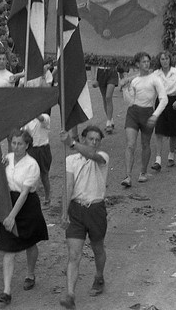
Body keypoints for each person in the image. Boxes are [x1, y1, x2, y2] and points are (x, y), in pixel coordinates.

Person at [0, 129, 49, 305]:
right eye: (14, 143)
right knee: (8, 248)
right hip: (8, 203)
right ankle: (6, 291)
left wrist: (11, 217)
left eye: (20, 144)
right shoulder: (7, 159)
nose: (16, 147)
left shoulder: (32, 165)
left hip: (26, 206)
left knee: (30, 243)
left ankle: (30, 274)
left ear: (27, 145)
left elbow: (25, 194)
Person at [59, 125, 110, 309]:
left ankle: (99, 276)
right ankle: (70, 294)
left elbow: (92, 155)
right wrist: (64, 212)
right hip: (77, 209)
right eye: (91, 139)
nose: (94, 142)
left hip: (96, 209)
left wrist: (71, 142)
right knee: (74, 254)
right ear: (84, 138)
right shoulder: (71, 160)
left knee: (97, 248)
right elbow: (68, 186)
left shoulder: (102, 157)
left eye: (97, 140)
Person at [118, 52, 167, 187]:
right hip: (133, 113)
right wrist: (125, 89)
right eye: (143, 62)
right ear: (137, 64)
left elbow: (164, 99)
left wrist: (155, 115)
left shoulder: (155, 79)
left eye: (148, 61)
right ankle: (128, 175)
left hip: (147, 113)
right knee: (130, 144)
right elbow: (129, 101)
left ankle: (143, 172)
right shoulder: (134, 80)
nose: (146, 64)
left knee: (145, 144)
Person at [151, 51, 176, 169]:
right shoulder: (156, 74)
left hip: (173, 101)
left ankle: (171, 155)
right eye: (162, 59)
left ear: (170, 60)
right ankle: (158, 159)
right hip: (161, 101)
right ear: (159, 61)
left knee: (173, 131)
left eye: (166, 59)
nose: (164, 61)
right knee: (159, 130)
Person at [24, 114, 52, 205]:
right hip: (31, 149)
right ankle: (29, 198)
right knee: (30, 175)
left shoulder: (45, 117)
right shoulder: (27, 121)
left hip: (43, 149)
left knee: (44, 175)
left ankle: (48, 197)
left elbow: (42, 119)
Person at [92, 65, 119, 134]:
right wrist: (94, 79)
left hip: (112, 70)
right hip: (101, 72)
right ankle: (110, 118)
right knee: (104, 98)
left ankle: (109, 123)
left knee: (108, 97)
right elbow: (93, 64)